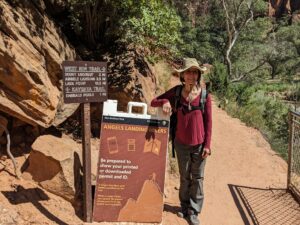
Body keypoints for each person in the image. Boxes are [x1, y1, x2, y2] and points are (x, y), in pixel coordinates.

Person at [151, 58, 212, 225]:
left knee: (197, 178)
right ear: (182, 75)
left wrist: (207, 145)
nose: (191, 75)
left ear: (198, 75)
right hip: (181, 143)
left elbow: (209, 122)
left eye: (195, 72)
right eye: (188, 72)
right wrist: (164, 102)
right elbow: (153, 101)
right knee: (185, 177)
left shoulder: (205, 95)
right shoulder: (176, 92)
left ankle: (194, 212)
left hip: (199, 145)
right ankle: (184, 207)